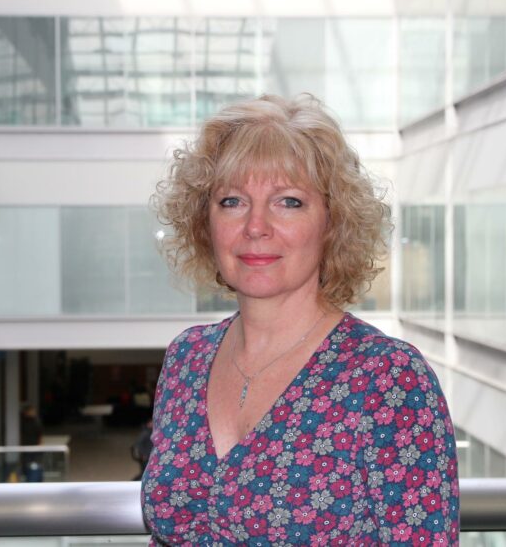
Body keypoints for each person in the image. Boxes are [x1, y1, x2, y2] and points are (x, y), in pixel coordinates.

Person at [142, 94, 459, 544]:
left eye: (288, 202)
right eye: (232, 201)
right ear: (203, 223)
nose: (256, 226)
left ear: (333, 223)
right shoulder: (186, 359)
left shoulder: (387, 379)